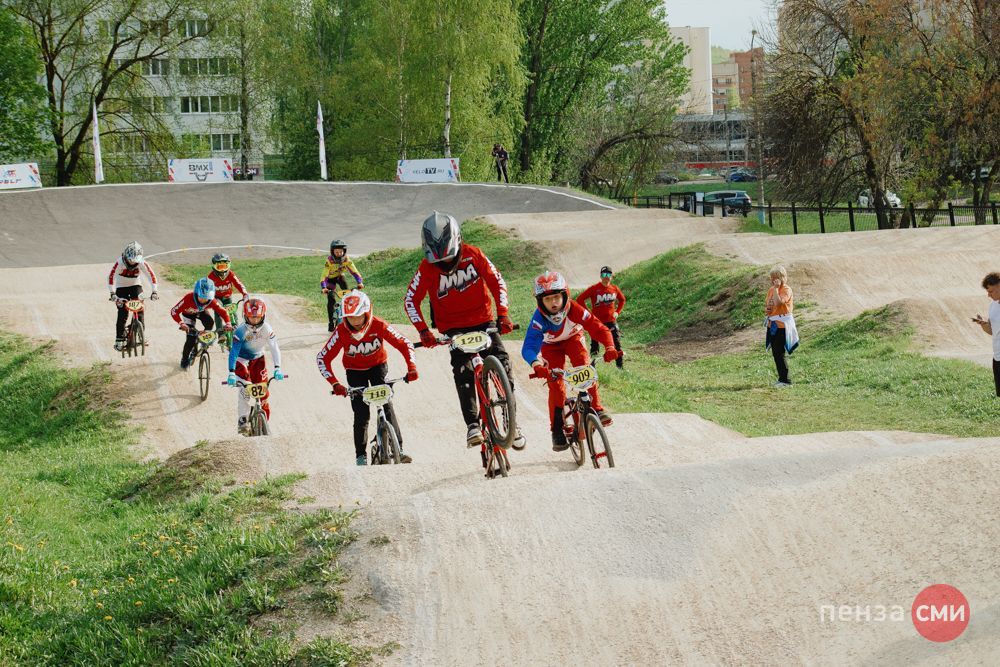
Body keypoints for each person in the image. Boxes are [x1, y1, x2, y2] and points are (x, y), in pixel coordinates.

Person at [404, 211, 525, 449]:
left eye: (449, 259)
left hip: (484, 322)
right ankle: (472, 425)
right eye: (439, 262)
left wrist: (503, 314)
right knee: (463, 373)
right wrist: (423, 331)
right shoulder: (426, 268)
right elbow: (410, 300)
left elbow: (497, 281)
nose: (445, 265)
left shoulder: (474, 254)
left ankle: (511, 419)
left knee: (502, 362)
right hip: (453, 330)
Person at [317, 290, 417, 465]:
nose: (355, 321)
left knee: (387, 406)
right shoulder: (341, 331)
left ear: (367, 312)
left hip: (378, 367)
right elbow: (322, 358)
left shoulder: (379, 324)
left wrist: (412, 367)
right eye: (350, 317)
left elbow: (404, 343)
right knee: (361, 414)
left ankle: (399, 449)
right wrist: (335, 383)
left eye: (359, 316)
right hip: (354, 372)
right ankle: (360, 456)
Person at [523, 271, 618, 452]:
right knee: (556, 385)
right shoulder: (539, 319)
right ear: (540, 301)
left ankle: (597, 408)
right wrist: (536, 364)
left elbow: (598, 328)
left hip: (574, 339)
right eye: (547, 299)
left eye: (556, 297)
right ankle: (557, 429)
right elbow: (529, 346)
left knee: (584, 366)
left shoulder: (574, 309)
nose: (553, 303)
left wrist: (610, 347)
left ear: (565, 294)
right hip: (550, 347)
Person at [226, 297, 283, 434]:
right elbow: (233, 352)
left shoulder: (267, 328)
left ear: (263, 316)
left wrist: (278, 368)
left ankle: (265, 424)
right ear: (245, 316)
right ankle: (243, 420)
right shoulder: (240, 331)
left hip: (258, 360)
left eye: (257, 317)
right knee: (245, 389)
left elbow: (274, 348)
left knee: (264, 393)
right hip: (241, 361)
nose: (255, 321)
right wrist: (231, 372)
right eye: (252, 317)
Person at [170, 278, 231, 370]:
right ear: (196, 293)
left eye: (207, 298)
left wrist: (228, 323)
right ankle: (185, 359)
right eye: (201, 297)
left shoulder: (212, 300)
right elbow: (174, 311)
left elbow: (223, 312)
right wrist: (181, 323)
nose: (203, 300)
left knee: (210, 322)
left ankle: (204, 339)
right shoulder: (188, 298)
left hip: (201, 312)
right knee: (190, 339)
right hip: (188, 314)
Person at [108, 241, 159, 351]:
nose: (132, 263)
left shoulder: (142, 262)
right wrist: (112, 293)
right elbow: (111, 277)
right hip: (121, 287)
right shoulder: (119, 262)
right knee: (122, 311)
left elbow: (151, 276)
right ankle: (119, 338)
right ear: (126, 257)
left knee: (140, 309)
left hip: (136, 286)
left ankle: (141, 334)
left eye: (135, 261)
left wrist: (154, 291)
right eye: (130, 260)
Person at [576, 266, 626, 368]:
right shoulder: (594, 288)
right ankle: (592, 367)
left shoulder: (614, 289)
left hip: (611, 321)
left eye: (608, 274)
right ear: (600, 276)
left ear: (611, 276)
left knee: (616, 343)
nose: (606, 277)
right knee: (595, 344)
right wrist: (589, 313)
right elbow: (579, 299)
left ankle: (620, 367)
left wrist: (617, 312)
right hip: (596, 322)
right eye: (604, 274)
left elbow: (622, 300)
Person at [764, 265, 798, 386]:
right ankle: (782, 378)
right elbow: (769, 305)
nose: (772, 280)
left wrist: (776, 289)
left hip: (783, 325)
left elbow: (779, 303)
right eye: (771, 277)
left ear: (781, 277)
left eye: (775, 277)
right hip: (773, 324)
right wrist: (768, 310)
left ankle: (785, 380)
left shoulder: (786, 290)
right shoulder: (771, 290)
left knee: (779, 352)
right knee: (776, 352)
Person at [321, 239, 364, 332]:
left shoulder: (346, 259)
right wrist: (323, 287)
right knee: (331, 298)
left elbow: (354, 271)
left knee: (348, 296)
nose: (339, 254)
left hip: (340, 277)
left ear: (344, 251)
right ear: (332, 252)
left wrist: (359, 282)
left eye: (341, 252)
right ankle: (331, 322)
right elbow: (324, 275)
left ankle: (349, 317)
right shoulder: (329, 261)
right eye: (336, 252)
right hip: (330, 280)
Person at [207, 252, 249, 337]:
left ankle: (236, 331)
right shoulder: (210, 277)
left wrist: (245, 294)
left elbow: (238, 284)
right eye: (220, 267)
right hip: (217, 298)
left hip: (227, 297)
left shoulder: (230, 274)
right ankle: (221, 334)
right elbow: (207, 289)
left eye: (224, 266)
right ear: (214, 266)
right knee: (218, 312)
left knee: (233, 312)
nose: (222, 270)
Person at [972, 272, 1000, 397]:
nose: (989, 295)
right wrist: (983, 324)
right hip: (997, 357)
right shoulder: (993, 306)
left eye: (991, 291)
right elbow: (993, 331)